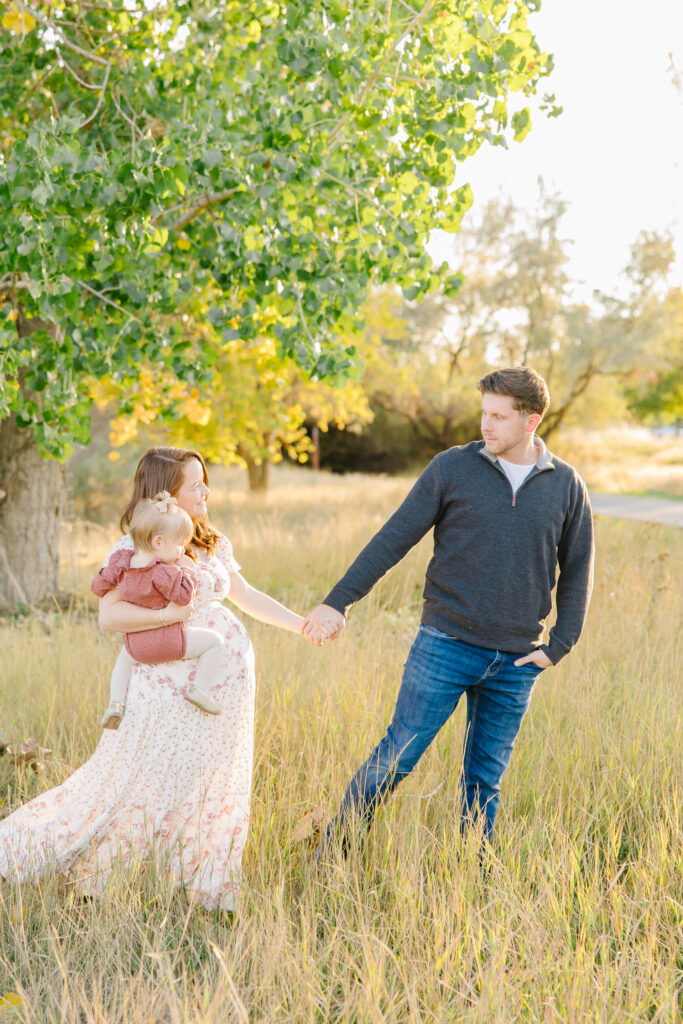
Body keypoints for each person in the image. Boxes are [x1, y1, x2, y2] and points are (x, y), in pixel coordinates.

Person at [0, 446, 316, 911]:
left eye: (204, 480)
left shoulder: (210, 541)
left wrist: (302, 624)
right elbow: (110, 616)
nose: (206, 490)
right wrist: (172, 613)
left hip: (216, 692)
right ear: (165, 494)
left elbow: (246, 596)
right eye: (195, 484)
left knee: (205, 784)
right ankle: (82, 875)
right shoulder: (136, 548)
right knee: (135, 782)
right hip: (166, 684)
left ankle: (201, 886)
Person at [303, 367, 594, 858]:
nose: (486, 425)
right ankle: (333, 851)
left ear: (531, 421)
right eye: (484, 413)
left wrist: (560, 646)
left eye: (499, 417)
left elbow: (579, 569)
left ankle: (471, 877)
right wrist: (337, 601)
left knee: (485, 780)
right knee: (395, 759)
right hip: (445, 645)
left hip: (517, 661)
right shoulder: (451, 469)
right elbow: (393, 539)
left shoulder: (566, 485)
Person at [92, 490, 225, 729]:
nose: (182, 551)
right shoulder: (165, 572)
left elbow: (98, 586)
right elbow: (184, 597)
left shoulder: (122, 563)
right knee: (215, 642)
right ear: (159, 542)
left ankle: (115, 703)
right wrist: (187, 568)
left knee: (122, 663)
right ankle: (200, 690)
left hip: (136, 646)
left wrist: (106, 577)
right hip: (170, 641)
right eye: (180, 545)